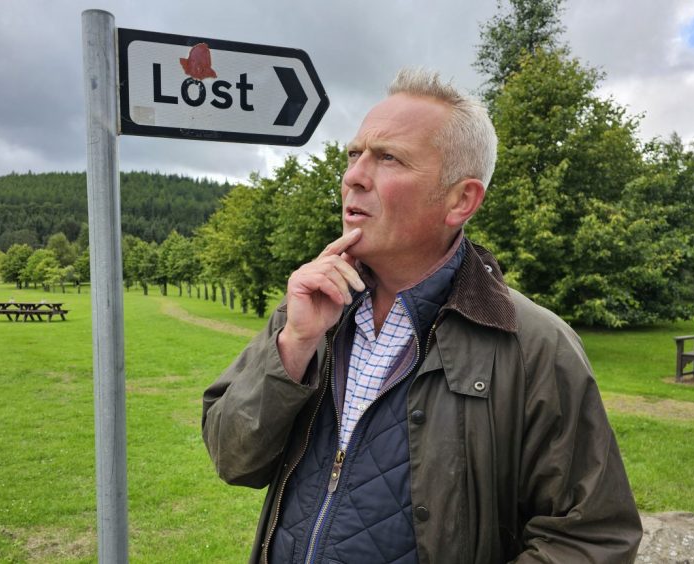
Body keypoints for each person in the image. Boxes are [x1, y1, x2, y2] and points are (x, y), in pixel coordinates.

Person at [202, 68, 642, 563]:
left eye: (388, 158)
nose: (353, 176)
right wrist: (295, 342)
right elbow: (232, 458)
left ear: (461, 200)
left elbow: (591, 538)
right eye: (354, 155)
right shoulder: (311, 310)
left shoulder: (534, 346)